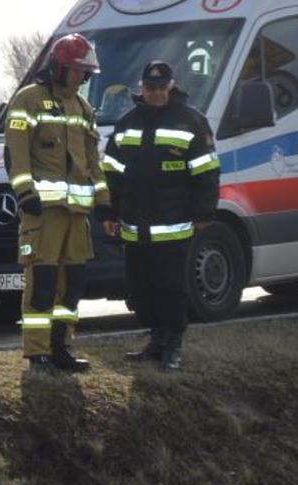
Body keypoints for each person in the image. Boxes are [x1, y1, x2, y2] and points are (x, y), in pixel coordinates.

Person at [102, 61, 220, 372]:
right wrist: (109, 211)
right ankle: (155, 342)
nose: (155, 93)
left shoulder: (191, 121)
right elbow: (111, 172)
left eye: (161, 88)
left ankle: (173, 346)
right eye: (150, 87)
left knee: (171, 286)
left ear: (171, 87)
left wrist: (204, 212)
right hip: (134, 225)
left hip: (174, 223)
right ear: (141, 88)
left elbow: (207, 172)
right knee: (140, 287)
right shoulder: (126, 123)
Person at [5, 33, 109, 374]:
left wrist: (104, 200)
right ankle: (38, 354)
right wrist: (25, 193)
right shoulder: (28, 100)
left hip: (76, 214)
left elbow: (94, 160)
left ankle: (62, 347)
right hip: (43, 213)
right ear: (59, 68)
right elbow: (16, 152)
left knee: (72, 284)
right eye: (75, 71)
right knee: (43, 283)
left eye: (84, 72)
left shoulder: (83, 108)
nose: (80, 77)